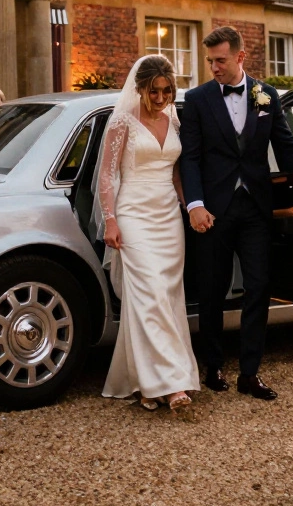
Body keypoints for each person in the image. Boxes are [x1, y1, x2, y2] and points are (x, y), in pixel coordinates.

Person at [179, 26, 293, 401]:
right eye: (210, 61)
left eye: (220, 60)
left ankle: (250, 373)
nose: (214, 67)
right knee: (212, 291)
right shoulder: (197, 99)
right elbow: (189, 157)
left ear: (240, 57)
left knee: (258, 287)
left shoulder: (265, 95)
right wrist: (195, 204)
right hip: (213, 211)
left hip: (256, 207)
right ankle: (214, 366)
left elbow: (283, 143)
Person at [96, 55, 200, 411]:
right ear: (139, 88)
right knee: (150, 293)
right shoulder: (122, 121)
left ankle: (146, 381)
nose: (160, 98)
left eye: (166, 91)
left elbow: (175, 172)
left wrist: (191, 207)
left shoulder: (173, 117)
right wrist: (110, 220)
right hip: (133, 214)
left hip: (168, 216)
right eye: (153, 91)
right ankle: (172, 384)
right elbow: (108, 176)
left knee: (167, 296)